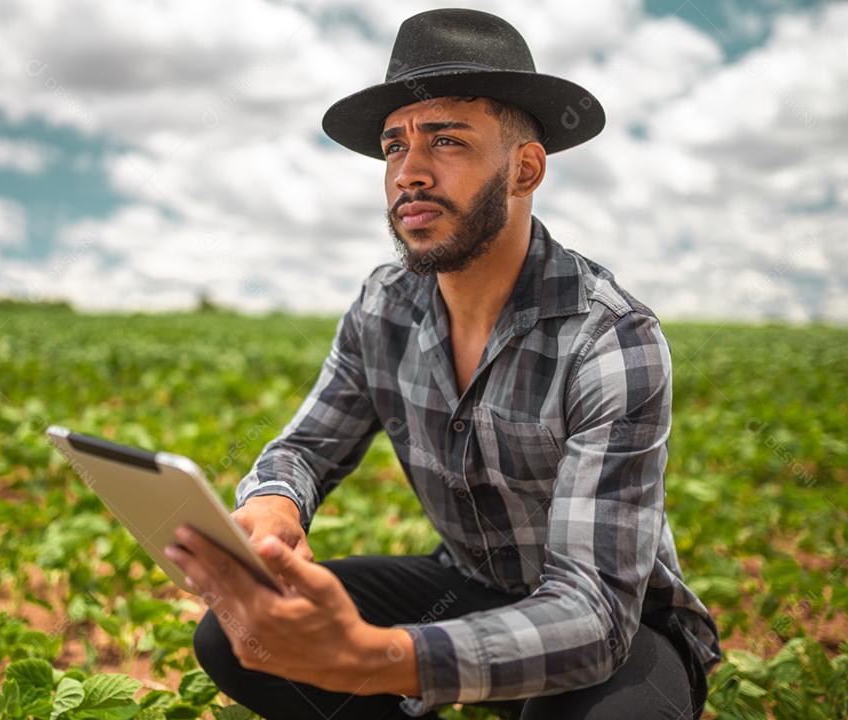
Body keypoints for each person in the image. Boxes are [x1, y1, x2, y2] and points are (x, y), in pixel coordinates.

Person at [165, 8, 721, 719]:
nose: (410, 172)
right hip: (465, 583)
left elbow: (593, 614)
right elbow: (304, 448)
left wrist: (381, 662)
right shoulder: (384, 307)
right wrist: (273, 500)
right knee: (236, 635)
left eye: (447, 141)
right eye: (395, 147)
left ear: (524, 169)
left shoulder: (609, 337)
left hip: (616, 623)